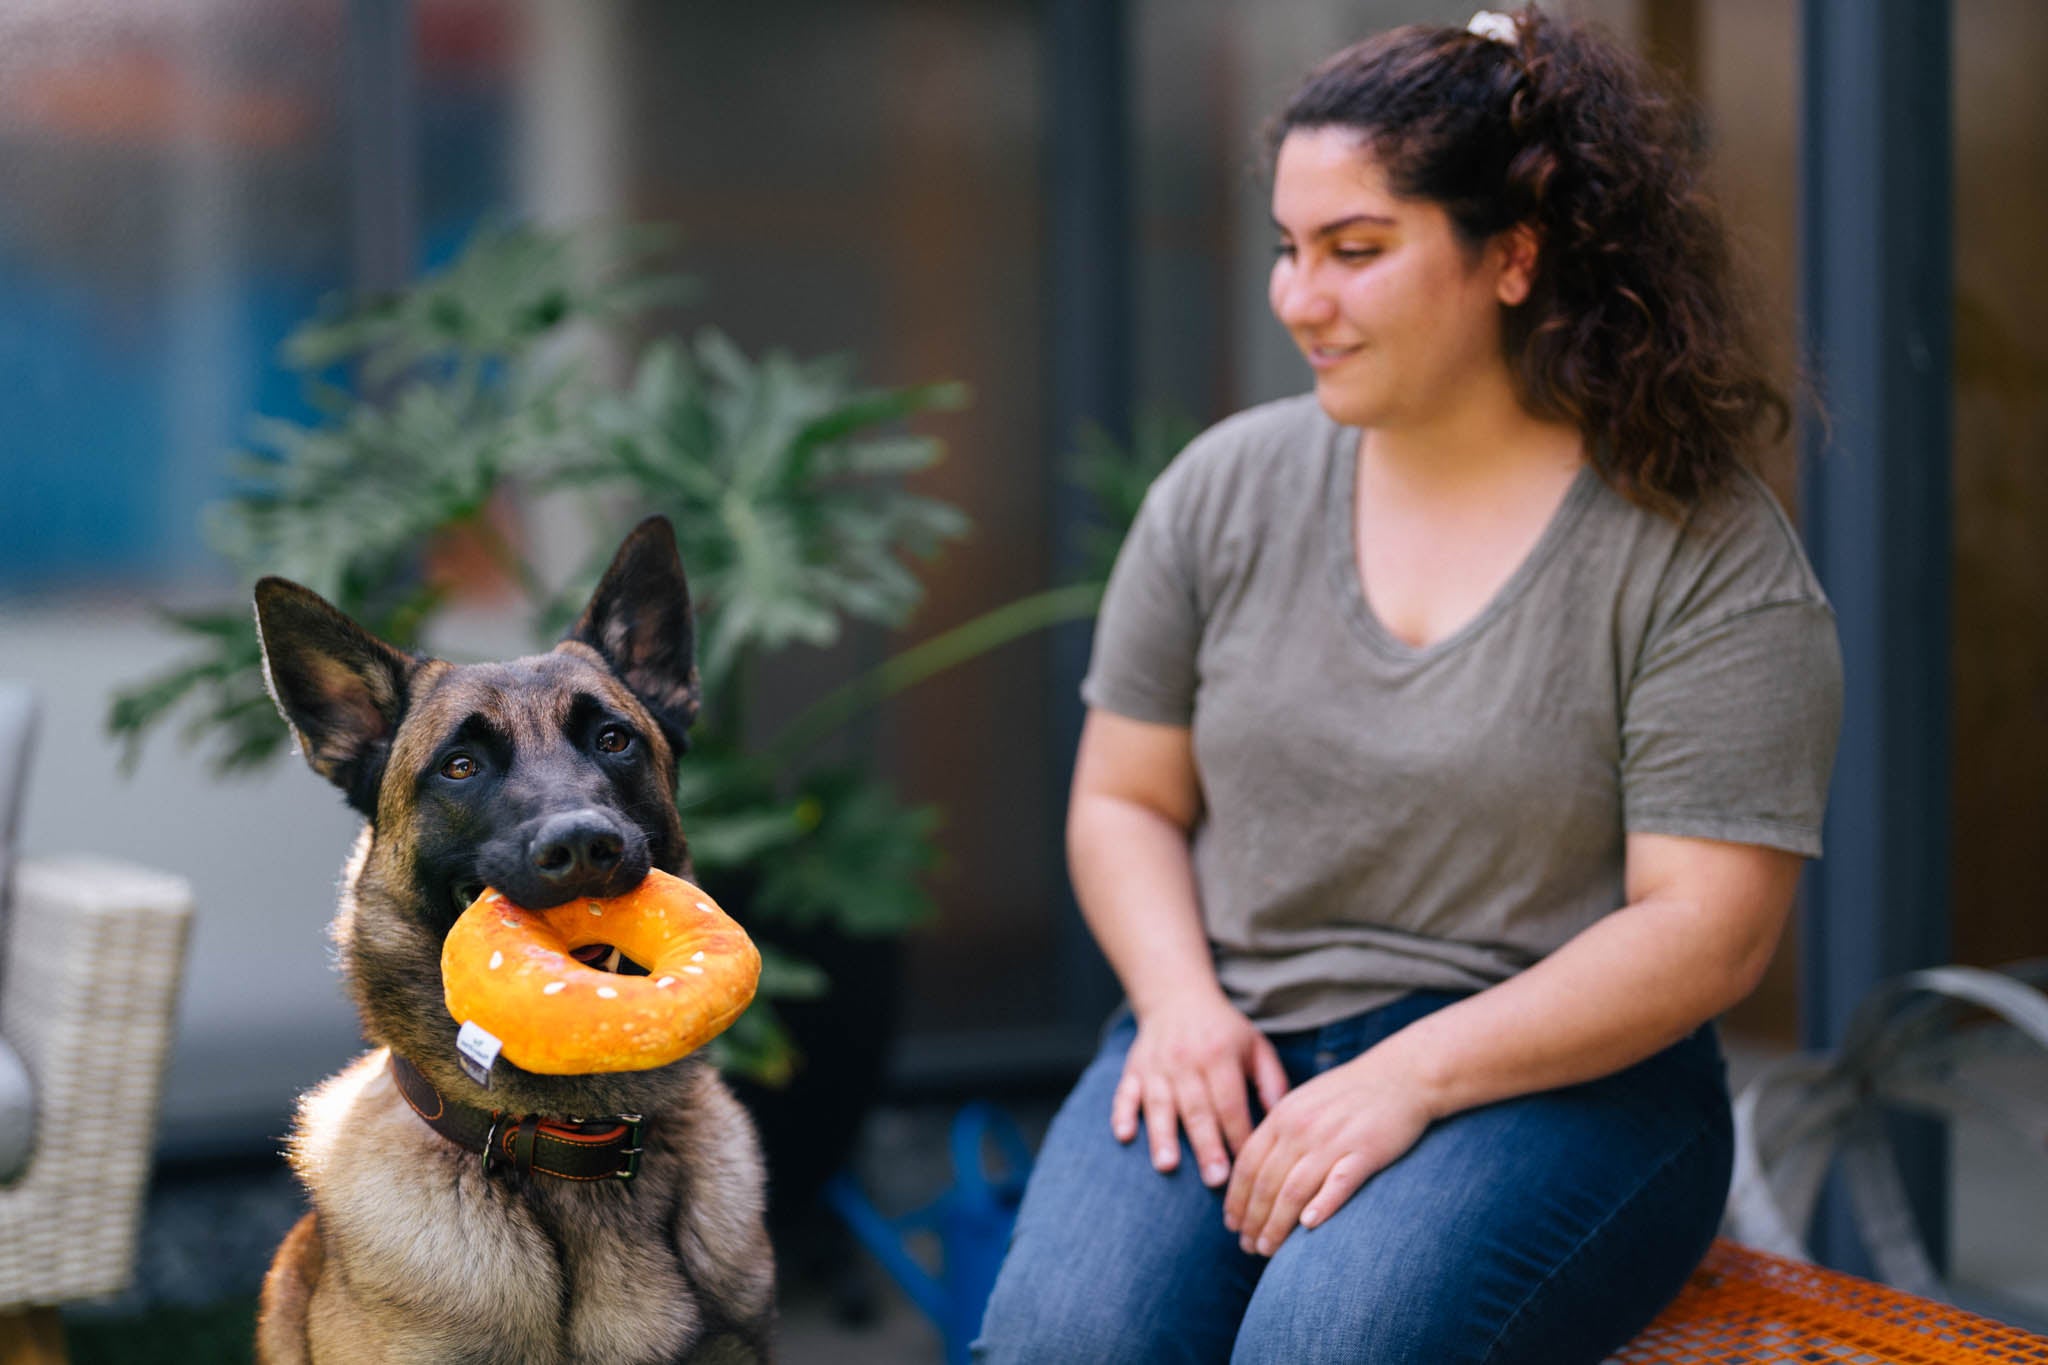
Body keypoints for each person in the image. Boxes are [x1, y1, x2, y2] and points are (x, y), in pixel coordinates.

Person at [973, 8, 1842, 1364]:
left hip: (1562, 1079)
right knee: (1061, 1340)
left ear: (1512, 255)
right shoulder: (1224, 489)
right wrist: (1182, 1002)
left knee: (1332, 1342)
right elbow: (1126, 798)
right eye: (1287, 248)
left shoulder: (1699, 545)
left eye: (1355, 251)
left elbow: (1709, 929)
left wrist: (1412, 1073)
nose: (1296, 297)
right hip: (1236, 1030)